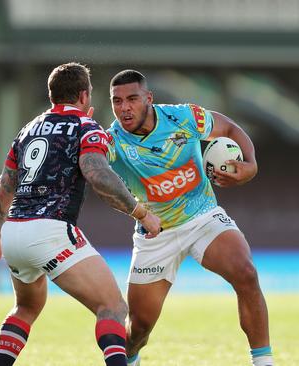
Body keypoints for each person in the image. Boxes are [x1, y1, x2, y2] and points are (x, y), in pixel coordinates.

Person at [0, 62, 161, 366]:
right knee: (113, 307)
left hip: (13, 231)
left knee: (26, 308)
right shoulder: (86, 127)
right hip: (50, 230)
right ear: (84, 95)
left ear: (52, 95)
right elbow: (98, 175)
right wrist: (141, 213)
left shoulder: (27, 131)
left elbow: (3, 192)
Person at [106, 69, 273, 366]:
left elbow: (230, 129)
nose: (124, 108)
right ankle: (130, 360)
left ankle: (264, 362)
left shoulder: (184, 118)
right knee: (139, 329)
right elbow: (96, 178)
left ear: (149, 98)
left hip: (203, 217)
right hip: (155, 233)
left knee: (246, 273)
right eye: (117, 101)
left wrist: (251, 164)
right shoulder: (111, 142)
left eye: (132, 99)